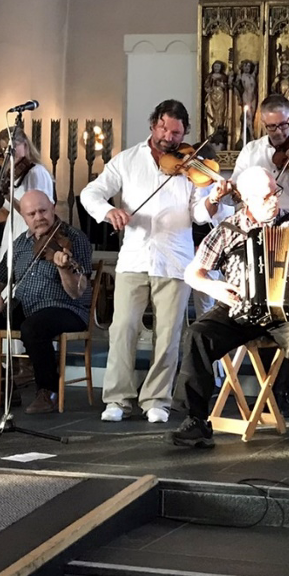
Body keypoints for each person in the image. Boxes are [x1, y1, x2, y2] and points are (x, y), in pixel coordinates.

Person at [170, 168, 289, 454]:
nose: (274, 200)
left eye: (275, 192)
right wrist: (215, 288)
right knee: (197, 335)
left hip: (284, 312)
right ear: (246, 198)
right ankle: (196, 422)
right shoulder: (227, 229)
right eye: (266, 195)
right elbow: (193, 273)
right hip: (237, 311)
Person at [79, 99, 203, 424]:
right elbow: (90, 194)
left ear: (184, 133)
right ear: (153, 125)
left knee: (168, 333)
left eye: (176, 133)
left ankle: (156, 400)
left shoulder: (192, 166)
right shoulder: (127, 160)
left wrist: (214, 201)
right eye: (163, 128)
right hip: (133, 258)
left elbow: (200, 212)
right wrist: (110, 212)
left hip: (175, 260)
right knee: (122, 328)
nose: (168, 137)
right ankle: (118, 399)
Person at [0, 190, 92, 414]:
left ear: (53, 207)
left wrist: (64, 269)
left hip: (66, 309)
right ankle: (2, 388)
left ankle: (47, 392)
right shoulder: (20, 243)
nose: (39, 217)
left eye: (43, 211)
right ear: (24, 217)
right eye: (32, 213)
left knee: (33, 327)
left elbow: (77, 292)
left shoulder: (74, 239)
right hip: (24, 306)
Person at [202, 94, 289, 229]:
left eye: (283, 125)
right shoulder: (250, 151)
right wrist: (227, 192)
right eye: (272, 126)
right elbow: (234, 197)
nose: (278, 132)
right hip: (256, 228)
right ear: (263, 123)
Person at [0, 127, 55, 257]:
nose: (9, 153)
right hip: (13, 235)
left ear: (25, 145)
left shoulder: (37, 172)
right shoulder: (15, 175)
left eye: (12, 147)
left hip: (30, 236)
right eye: (4, 150)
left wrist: (9, 196)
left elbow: (35, 213)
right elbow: (6, 211)